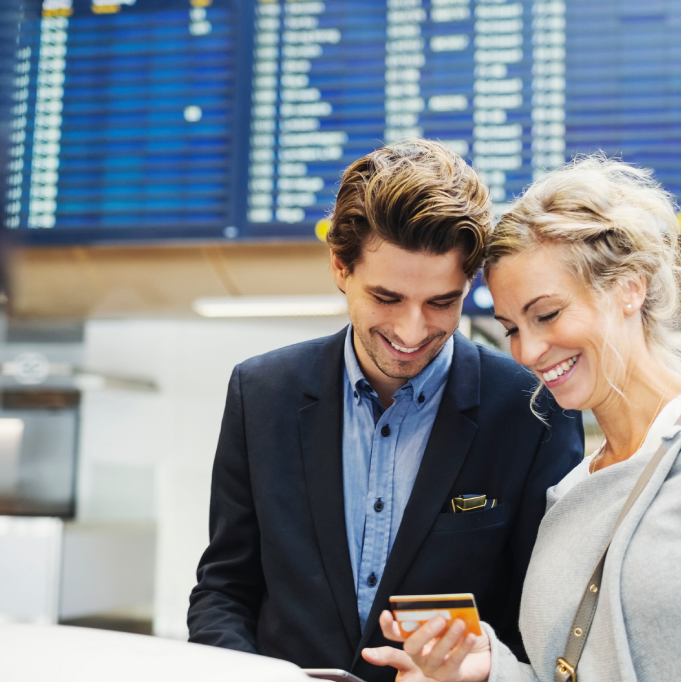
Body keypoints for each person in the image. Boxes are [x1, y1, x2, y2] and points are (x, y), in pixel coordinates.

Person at [362, 156, 681, 682]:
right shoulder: (570, 491)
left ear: (629, 288)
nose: (529, 351)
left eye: (546, 315)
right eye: (512, 328)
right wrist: (484, 669)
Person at [187, 140, 585, 681]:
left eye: (441, 302)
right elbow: (224, 588)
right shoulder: (261, 393)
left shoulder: (533, 410)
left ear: (468, 286)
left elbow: (545, 621)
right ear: (339, 267)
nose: (411, 331)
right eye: (388, 298)